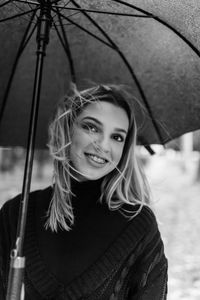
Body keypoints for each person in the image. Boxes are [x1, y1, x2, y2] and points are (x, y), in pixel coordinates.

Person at [0, 84, 168, 299]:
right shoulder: (16, 215)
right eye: (91, 127)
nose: (103, 146)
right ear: (68, 129)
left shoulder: (138, 225)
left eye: (117, 137)